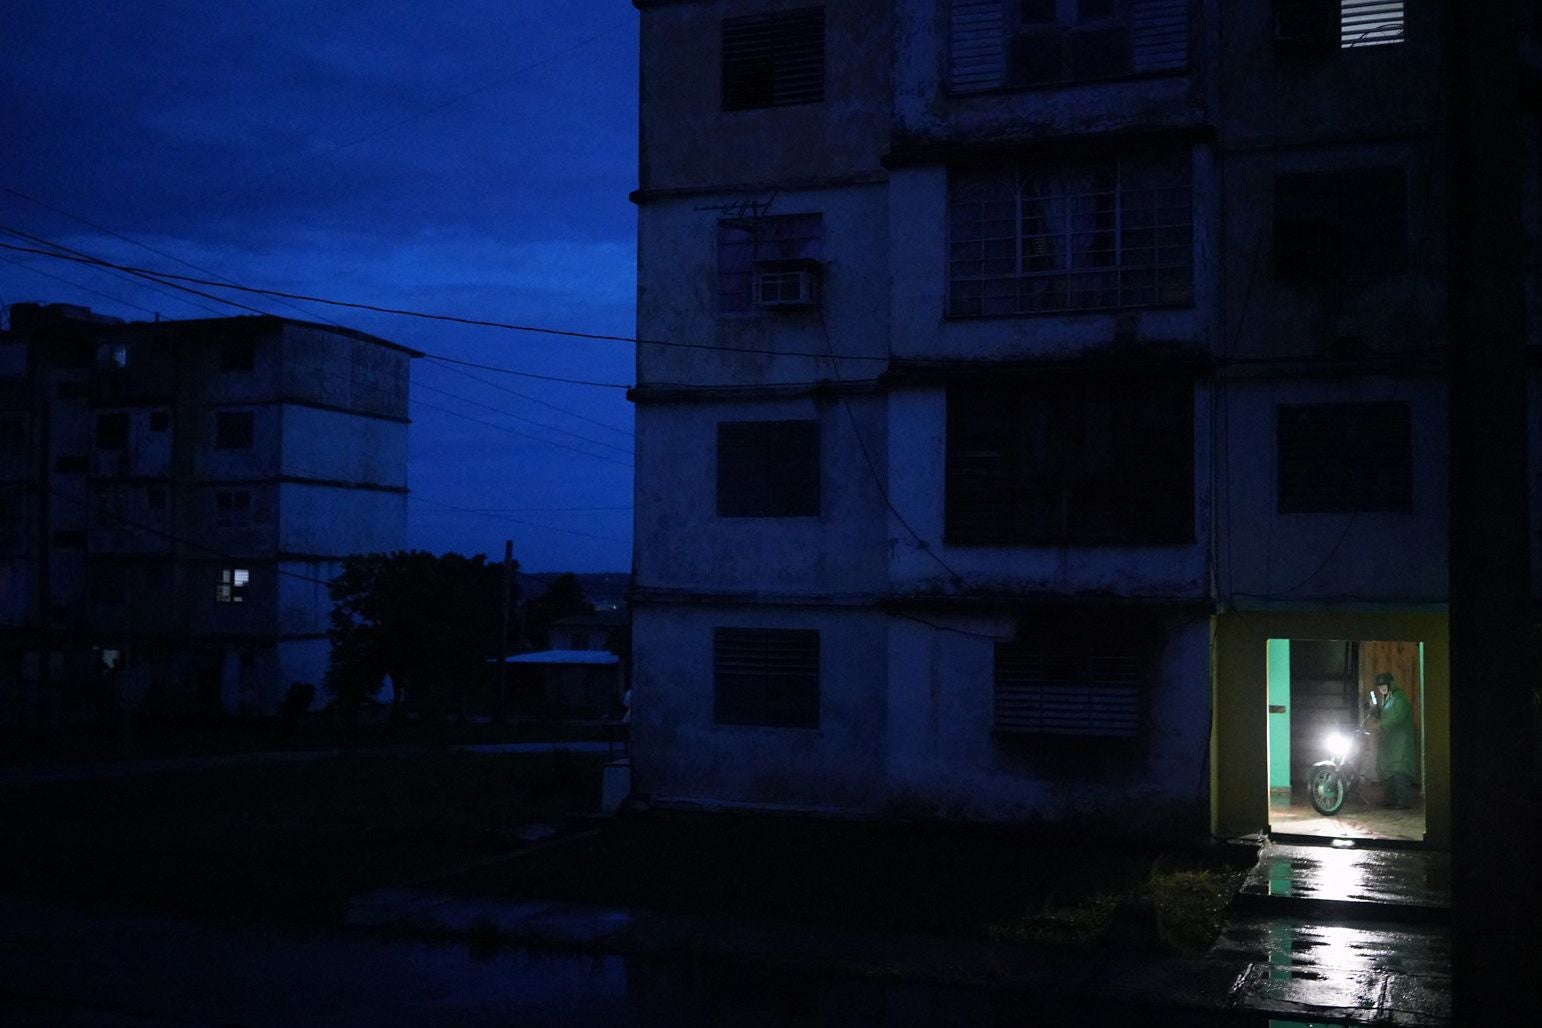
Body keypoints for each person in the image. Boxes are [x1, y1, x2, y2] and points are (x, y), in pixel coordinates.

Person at [1373, 671, 1416, 808]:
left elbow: (1396, 717)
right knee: (1387, 771)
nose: (1382, 688)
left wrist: (1381, 724)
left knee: (1399, 771)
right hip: (1390, 743)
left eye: (1384, 685)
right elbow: (1387, 715)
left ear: (1391, 684)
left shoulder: (1399, 699)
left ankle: (1403, 802)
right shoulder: (1387, 699)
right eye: (1379, 687)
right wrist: (1377, 713)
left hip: (1401, 743)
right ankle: (1390, 799)